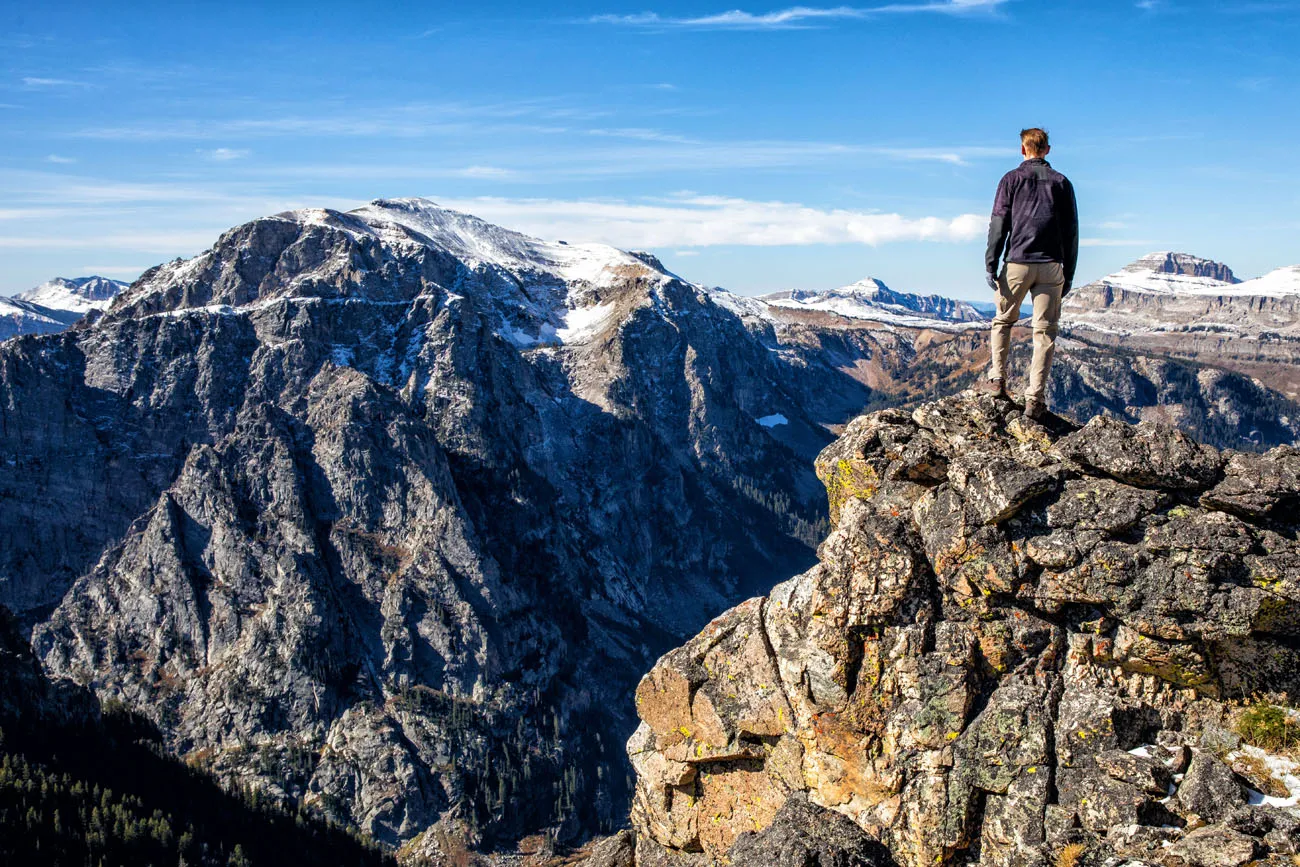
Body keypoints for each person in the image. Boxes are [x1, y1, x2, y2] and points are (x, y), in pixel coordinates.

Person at [980, 127, 1079, 420]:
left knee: (1003, 321)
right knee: (1045, 331)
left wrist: (991, 262)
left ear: (1022, 149)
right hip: (1051, 265)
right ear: (1047, 149)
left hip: (1017, 262)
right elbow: (1071, 232)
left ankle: (997, 380)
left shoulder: (1010, 179)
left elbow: (999, 224)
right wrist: (1069, 272)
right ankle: (1035, 398)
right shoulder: (1062, 183)